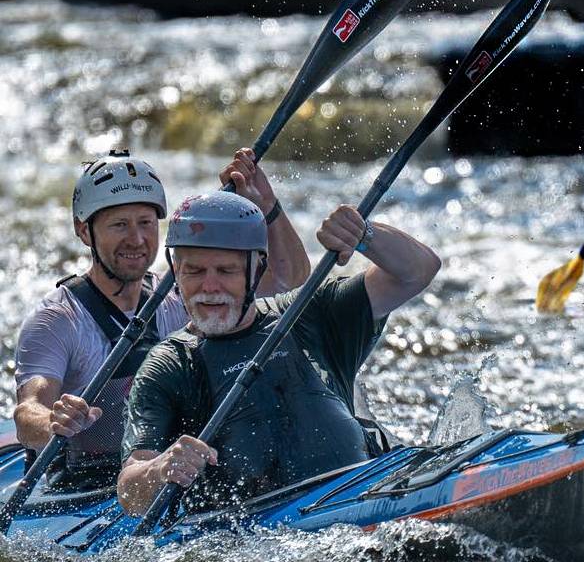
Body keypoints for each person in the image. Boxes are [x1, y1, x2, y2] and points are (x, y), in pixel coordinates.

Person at [116, 191, 440, 515]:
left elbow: (417, 271)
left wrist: (365, 234)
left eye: (225, 271)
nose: (209, 287)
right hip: (262, 533)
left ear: (258, 269)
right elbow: (130, 493)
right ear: (176, 270)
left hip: (365, 489)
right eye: (195, 272)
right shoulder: (169, 365)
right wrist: (160, 469)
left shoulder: (309, 313)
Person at [13, 148, 311, 490]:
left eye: (146, 223)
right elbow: (27, 413)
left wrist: (267, 205)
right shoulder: (57, 320)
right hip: (87, 488)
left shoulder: (184, 293)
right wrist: (54, 420)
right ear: (84, 231)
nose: (137, 240)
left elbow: (293, 281)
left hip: (176, 473)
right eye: (120, 225)